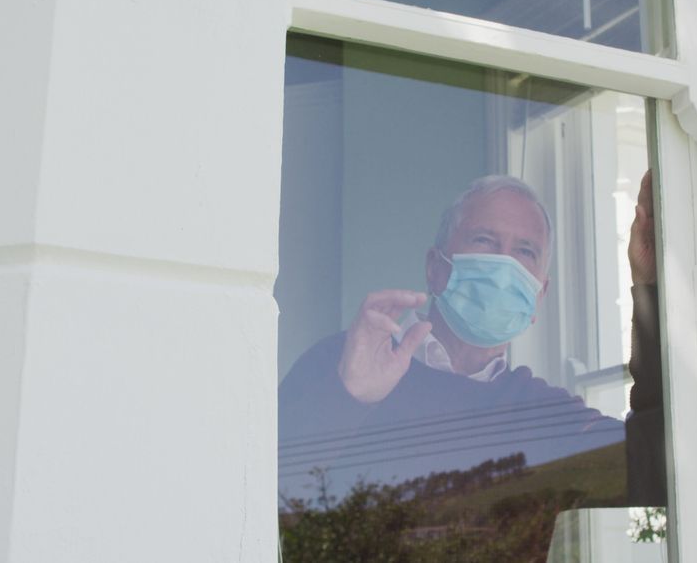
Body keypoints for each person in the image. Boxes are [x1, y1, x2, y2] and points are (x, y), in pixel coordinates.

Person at [278, 172, 665, 506]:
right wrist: (348, 396)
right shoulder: (347, 362)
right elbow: (258, 487)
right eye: (485, 241)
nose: (504, 267)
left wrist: (649, 289)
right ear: (434, 268)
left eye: (525, 251)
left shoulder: (542, 415)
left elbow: (654, 472)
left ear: (539, 296)